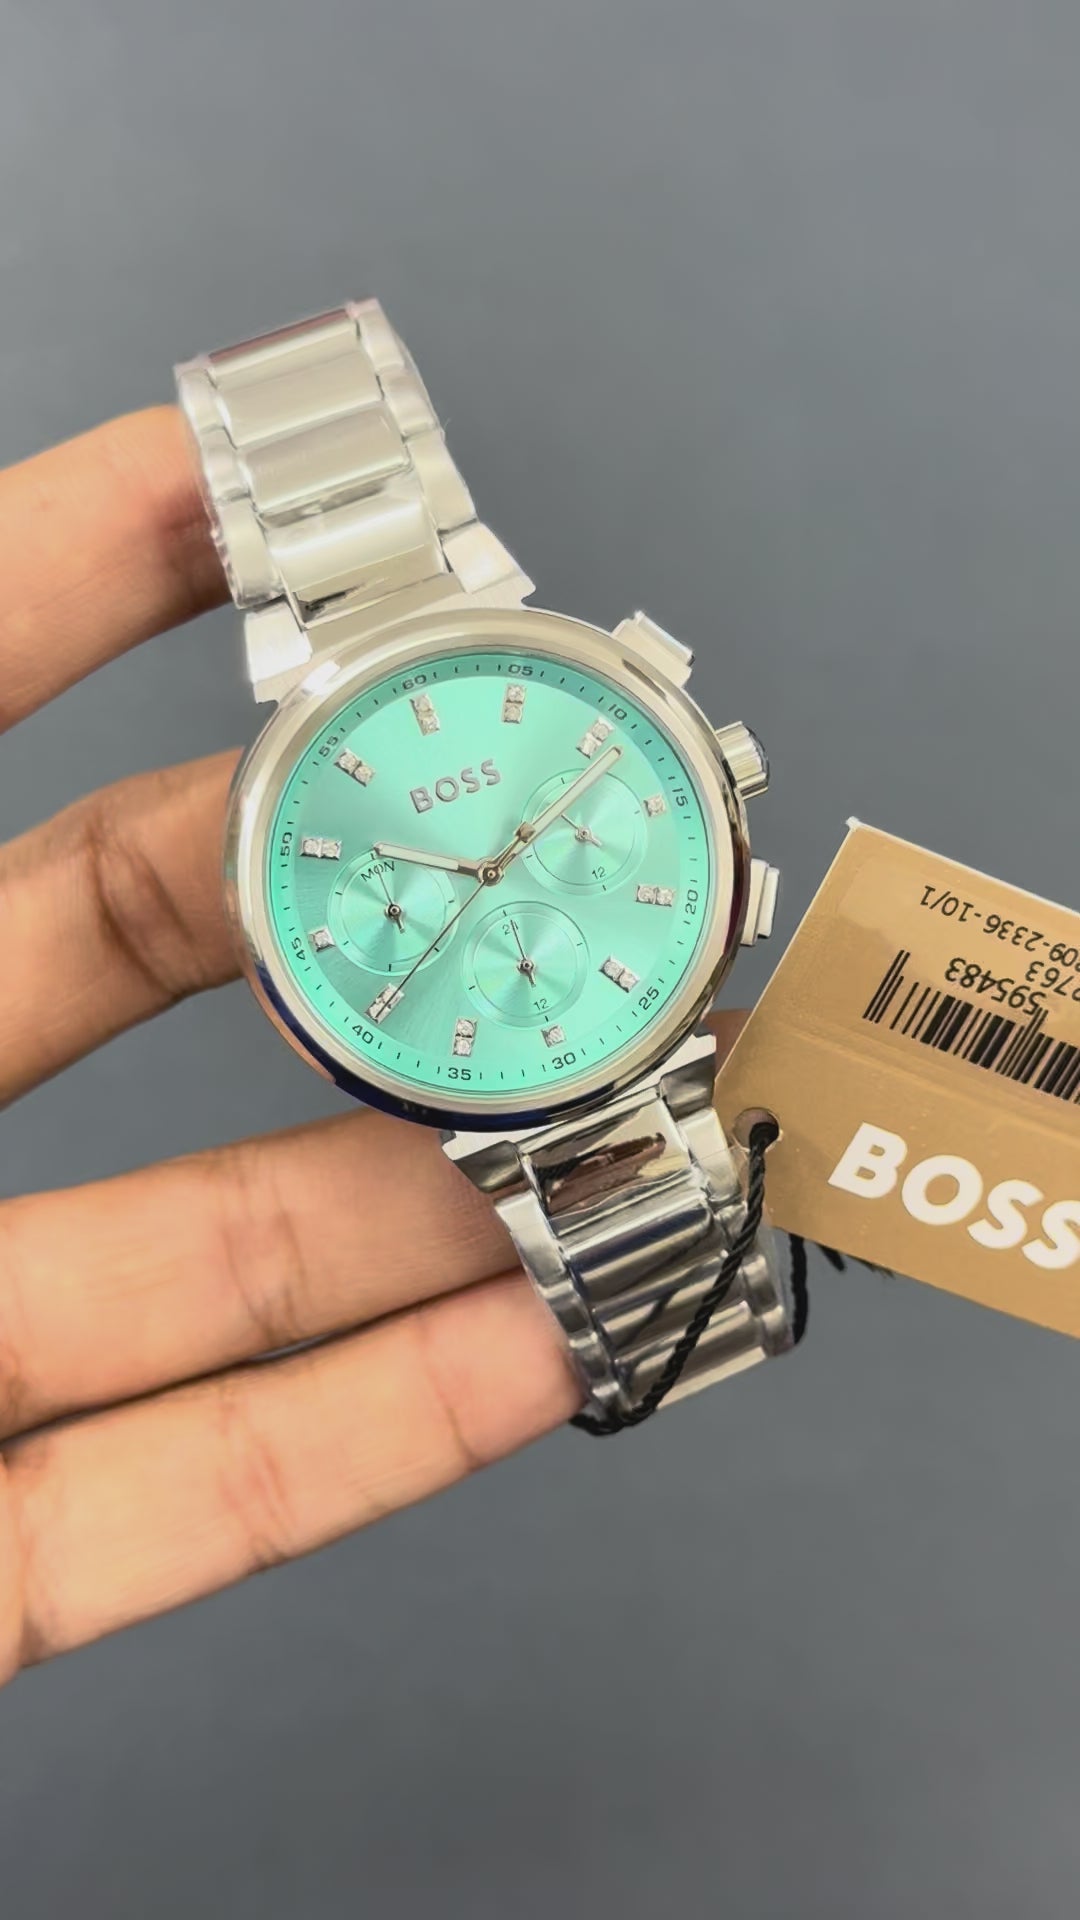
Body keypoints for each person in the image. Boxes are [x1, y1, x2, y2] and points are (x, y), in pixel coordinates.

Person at [0, 406, 742, 1685]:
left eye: (510, 845)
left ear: (716, 774)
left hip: (613, 1023)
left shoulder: (582, 758)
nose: (491, 864)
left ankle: (704, 1315)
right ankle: (696, 1317)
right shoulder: (316, 892)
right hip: (512, 1067)